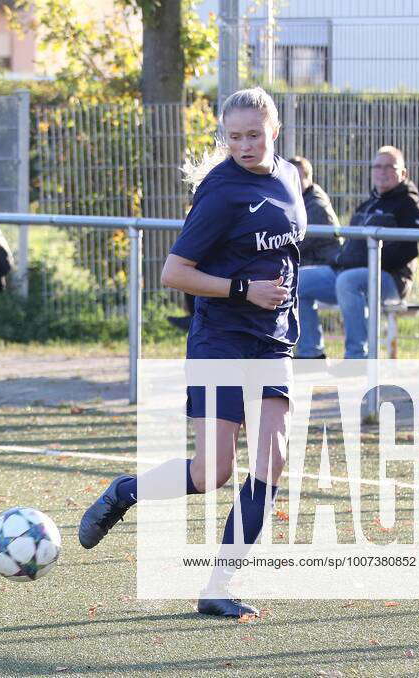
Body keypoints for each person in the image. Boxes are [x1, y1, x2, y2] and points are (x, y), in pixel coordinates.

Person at [78, 87, 305, 617]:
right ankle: (125, 493)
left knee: (274, 457)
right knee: (212, 473)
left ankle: (218, 585)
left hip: (273, 338)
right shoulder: (220, 190)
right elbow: (174, 272)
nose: (244, 145)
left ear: (275, 130)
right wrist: (244, 290)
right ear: (223, 136)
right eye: (234, 136)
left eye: (254, 134)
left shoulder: (291, 177)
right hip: (220, 337)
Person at [295, 146, 419, 359]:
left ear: (403, 173)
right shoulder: (368, 204)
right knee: (298, 280)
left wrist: (371, 262)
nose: (382, 172)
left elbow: (410, 249)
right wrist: (343, 259)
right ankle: (311, 354)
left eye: (389, 167)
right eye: (377, 166)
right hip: (348, 272)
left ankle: (357, 358)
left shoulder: (410, 205)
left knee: (348, 281)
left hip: (390, 279)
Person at [286, 155, 341, 267]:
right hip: (309, 262)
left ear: (308, 178)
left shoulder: (316, 206)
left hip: (325, 265)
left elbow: (296, 245)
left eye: (296, 178)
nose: (291, 183)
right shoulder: (299, 200)